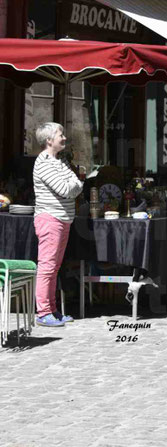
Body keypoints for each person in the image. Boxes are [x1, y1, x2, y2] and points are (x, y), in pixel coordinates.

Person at [32, 122, 84, 327]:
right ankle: (43, 312)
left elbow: (76, 183)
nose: (64, 137)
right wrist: (76, 184)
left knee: (54, 267)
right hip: (50, 218)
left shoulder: (60, 161)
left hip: (63, 219)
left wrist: (75, 184)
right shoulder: (44, 162)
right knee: (47, 266)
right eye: (60, 134)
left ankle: (52, 310)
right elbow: (67, 188)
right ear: (49, 140)